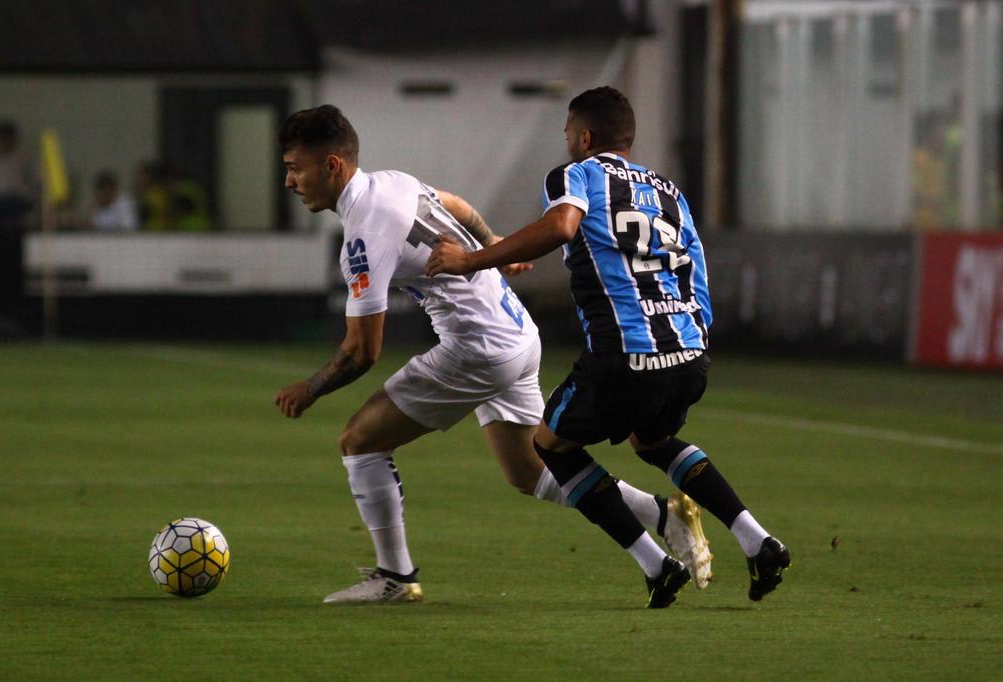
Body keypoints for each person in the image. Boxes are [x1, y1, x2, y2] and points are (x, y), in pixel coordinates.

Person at [273, 105, 713, 606]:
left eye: (294, 167)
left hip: (476, 349)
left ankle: (395, 576)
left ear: (331, 165)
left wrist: (308, 389)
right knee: (529, 472)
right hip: (517, 333)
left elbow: (361, 350)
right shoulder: (390, 182)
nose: (289, 180)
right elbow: (455, 205)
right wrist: (493, 241)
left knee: (360, 442)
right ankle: (663, 518)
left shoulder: (363, 234)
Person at [428, 86, 790, 603]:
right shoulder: (669, 190)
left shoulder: (575, 174)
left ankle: (656, 563)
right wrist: (696, 341)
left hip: (625, 355)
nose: (567, 143)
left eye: (568, 134)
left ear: (585, 136)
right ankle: (759, 542)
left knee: (550, 444)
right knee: (654, 441)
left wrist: (472, 259)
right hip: (687, 351)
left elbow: (562, 225)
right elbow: (696, 263)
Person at [0, 119, 38, 229]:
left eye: (6, 137)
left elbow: (32, 185)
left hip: (16, 199)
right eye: (0, 138)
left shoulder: (22, 159)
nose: (3, 141)